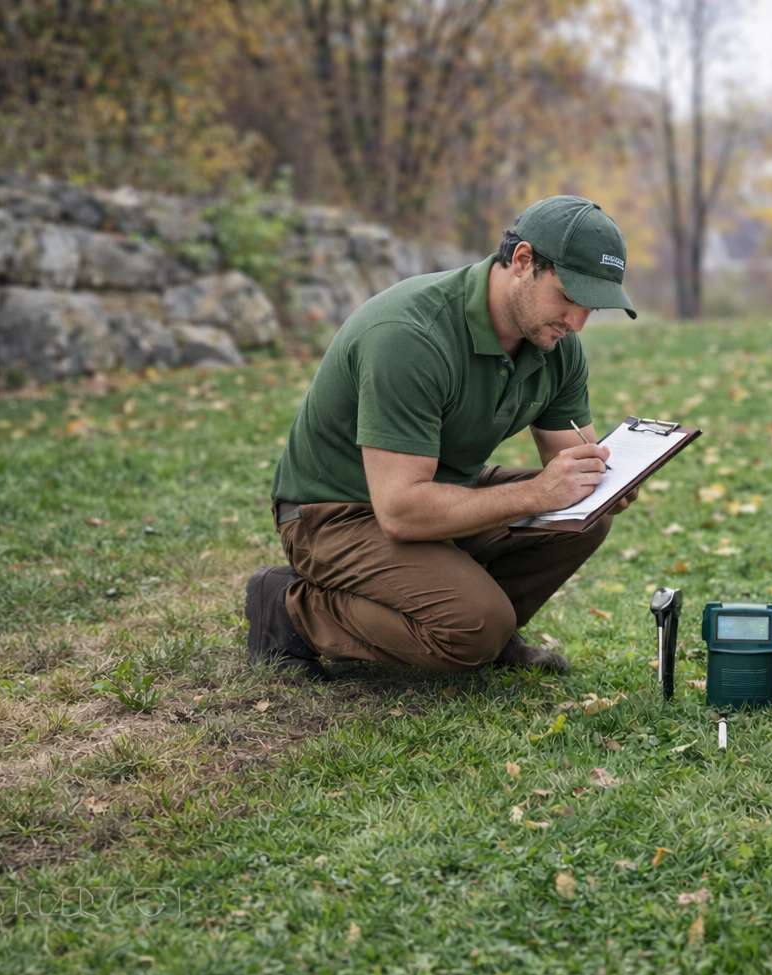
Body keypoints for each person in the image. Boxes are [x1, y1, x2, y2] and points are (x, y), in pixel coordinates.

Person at [245, 195, 639, 680]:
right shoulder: (410, 335)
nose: (577, 322)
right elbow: (400, 509)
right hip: (337, 512)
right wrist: (537, 492)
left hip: (439, 491)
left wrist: (605, 484)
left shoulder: (553, 341)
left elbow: (571, 464)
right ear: (522, 262)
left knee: (584, 519)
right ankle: (293, 609)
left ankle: (481, 622)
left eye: (591, 306)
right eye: (570, 296)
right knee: (473, 627)